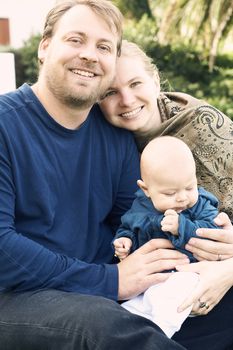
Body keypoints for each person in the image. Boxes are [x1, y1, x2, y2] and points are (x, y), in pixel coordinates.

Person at [0, 1, 192, 349]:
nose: (90, 55)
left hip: (102, 292)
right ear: (45, 47)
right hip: (16, 297)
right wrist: (110, 280)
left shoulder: (115, 136)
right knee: (103, 327)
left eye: (104, 47)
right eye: (76, 40)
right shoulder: (5, 124)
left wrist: (202, 237)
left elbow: (137, 221)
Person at [99, 40, 233, 349]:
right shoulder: (105, 141)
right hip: (156, 275)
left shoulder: (203, 127)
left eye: (135, 83)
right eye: (110, 92)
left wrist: (227, 270)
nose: (127, 100)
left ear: (156, 81)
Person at [114, 135, 220, 338]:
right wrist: (124, 241)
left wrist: (183, 226)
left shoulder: (201, 205)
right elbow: (128, 226)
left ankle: (160, 329)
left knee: (176, 293)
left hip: (189, 269)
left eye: (189, 187)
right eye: (170, 193)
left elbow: (211, 231)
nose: (182, 197)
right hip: (151, 275)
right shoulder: (140, 207)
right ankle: (132, 318)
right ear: (146, 190)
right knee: (141, 299)